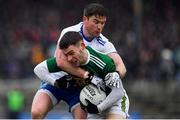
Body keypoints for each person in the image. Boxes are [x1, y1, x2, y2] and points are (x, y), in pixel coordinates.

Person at [31, 3, 127, 119]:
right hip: (57, 79)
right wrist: (87, 75)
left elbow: (120, 66)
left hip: (79, 87)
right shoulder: (70, 32)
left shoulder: (104, 44)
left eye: (102, 23)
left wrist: (116, 74)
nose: (99, 27)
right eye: (96, 22)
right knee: (36, 112)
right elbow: (60, 62)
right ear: (85, 19)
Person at [39, 31, 129, 119]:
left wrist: (99, 108)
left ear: (82, 46)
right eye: (66, 55)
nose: (69, 58)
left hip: (115, 103)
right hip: (93, 106)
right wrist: (55, 82)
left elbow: (118, 92)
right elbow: (39, 69)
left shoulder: (104, 63)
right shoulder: (67, 61)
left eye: (71, 53)